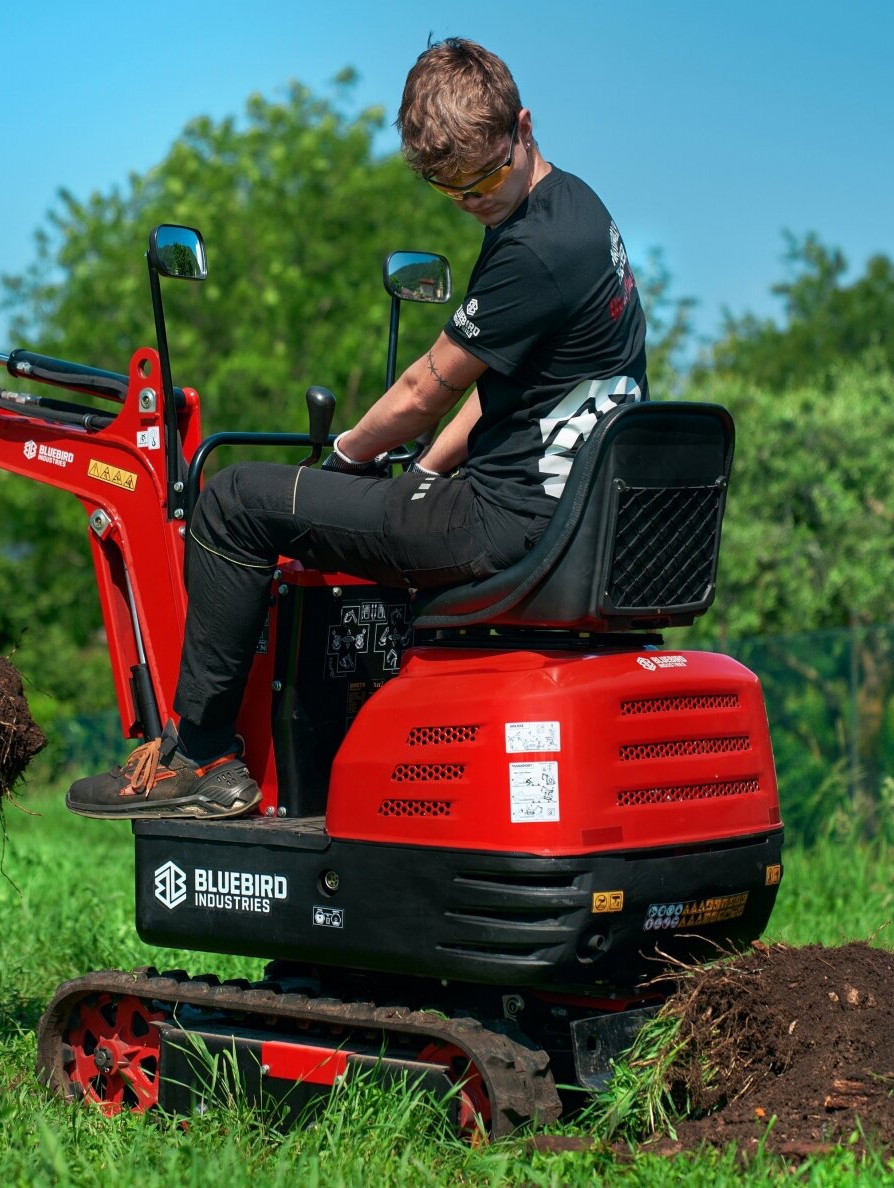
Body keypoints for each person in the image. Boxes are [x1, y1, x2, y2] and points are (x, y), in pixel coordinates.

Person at [66, 37, 648, 820]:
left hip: (502, 524)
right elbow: (500, 389)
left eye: (484, 177)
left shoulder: (533, 251)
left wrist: (342, 457)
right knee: (355, 496)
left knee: (235, 501)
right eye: (453, 190)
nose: (474, 198)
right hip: (551, 518)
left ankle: (199, 756)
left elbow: (420, 392)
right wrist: (423, 477)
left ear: (525, 127)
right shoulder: (577, 210)